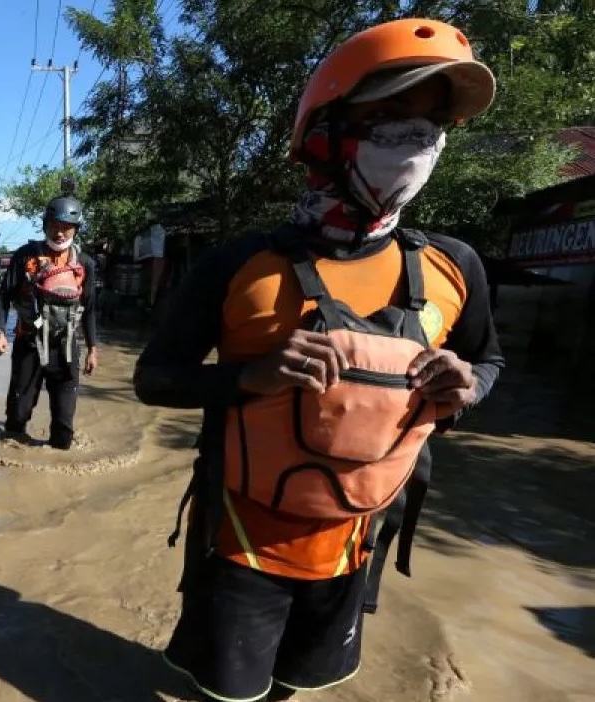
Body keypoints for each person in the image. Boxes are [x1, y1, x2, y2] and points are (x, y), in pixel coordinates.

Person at [134, 18, 504, 702]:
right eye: (391, 117)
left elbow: (487, 362)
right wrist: (251, 376)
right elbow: (154, 380)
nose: (415, 141)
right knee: (226, 693)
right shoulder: (238, 264)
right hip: (241, 538)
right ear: (325, 130)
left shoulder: (455, 266)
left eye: (430, 124)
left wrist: (468, 387)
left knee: (296, 688)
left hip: (357, 542)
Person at [0, 194, 99, 450]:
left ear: (75, 229)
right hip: (29, 344)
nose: (59, 233)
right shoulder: (25, 256)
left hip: (65, 349)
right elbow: (3, 297)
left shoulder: (85, 263)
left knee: (63, 433)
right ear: (44, 226)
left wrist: (93, 349)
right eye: (54, 226)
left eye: (66, 227)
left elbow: (90, 309)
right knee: (16, 420)